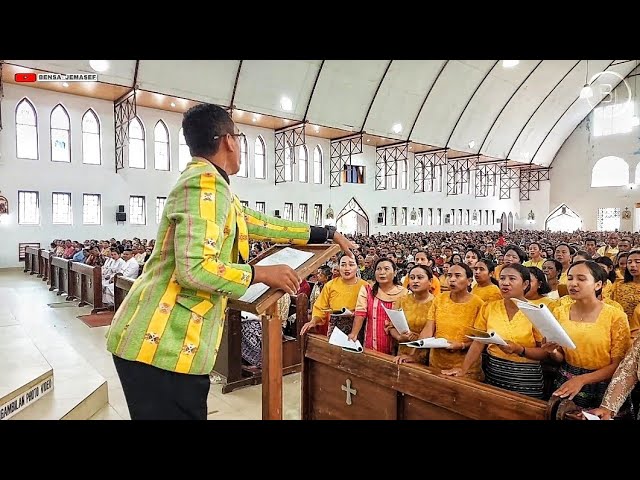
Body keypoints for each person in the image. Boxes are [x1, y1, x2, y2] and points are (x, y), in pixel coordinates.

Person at [105, 103, 356, 420]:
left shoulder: (213, 187)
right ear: (228, 141)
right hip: (163, 346)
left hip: (167, 346)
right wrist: (262, 273)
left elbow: (261, 224)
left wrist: (325, 232)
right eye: (239, 137)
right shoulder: (204, 186)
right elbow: (195, 270)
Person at [397, 263, 484, 380]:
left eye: (457, 276)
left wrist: (462, 345)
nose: (452, 279)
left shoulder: (478, 304)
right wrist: (414, 356)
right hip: (436, 365)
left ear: (469, 281)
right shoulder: (440, 299)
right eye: (449, 275)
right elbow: (428, 329)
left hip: (465, 369)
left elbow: (480, 340)